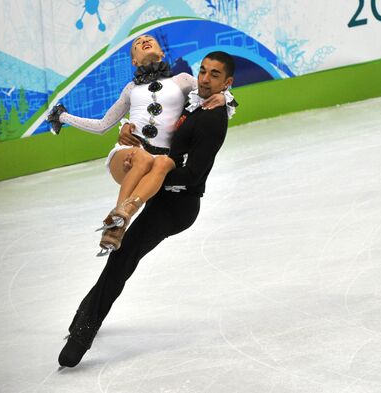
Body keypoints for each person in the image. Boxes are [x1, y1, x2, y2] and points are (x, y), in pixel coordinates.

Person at [58, 51, 235, 368]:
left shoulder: (211, 118)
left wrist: (156, 179)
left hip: (179, 205)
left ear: (227, 81)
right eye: (204, 71)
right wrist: (128, 129)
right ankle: (84, 317)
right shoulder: (197, 98)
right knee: (122, 256)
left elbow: (194, 175)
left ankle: (82, 334)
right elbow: (163, 123)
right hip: (163, 196)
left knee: (123, 257)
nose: (206, 79)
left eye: (215, 75)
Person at [47, 35, 236, 255]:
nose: (144, 40)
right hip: (130, 154)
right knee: (143, 158)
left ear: (162, 52)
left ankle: (123, 214)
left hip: (160, 162)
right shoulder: (130, 89)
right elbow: (101, 126)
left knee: (163, 162)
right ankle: (118, 222)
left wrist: (226, 99)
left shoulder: (183, 81)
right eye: (137, 44)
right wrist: (62, 117)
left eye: (150, 39)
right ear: (134, 61)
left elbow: (210, 90)